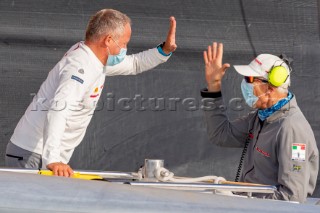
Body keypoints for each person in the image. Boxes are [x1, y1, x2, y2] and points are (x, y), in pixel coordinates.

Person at [5, 9, 177, 177]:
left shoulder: (95, 59)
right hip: (32, 154)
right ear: (108, 40)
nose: (125, 48)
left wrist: (164, 50)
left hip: (43, 155)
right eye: (124, 43)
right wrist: (53, 159)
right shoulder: (80, 67)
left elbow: (134, 64)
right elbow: (58, 109)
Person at [200, 42, 319, 203]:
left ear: (270, 86)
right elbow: (220, 135)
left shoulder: (291, 128)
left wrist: (246, 199)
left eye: (250, 79)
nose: (245, 84)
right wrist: (213, 86)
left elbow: (292, 198)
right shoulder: (260, 117)